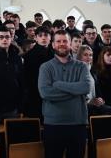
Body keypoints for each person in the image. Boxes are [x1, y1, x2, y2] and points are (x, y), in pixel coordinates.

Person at [39, 30, 90, 158]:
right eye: (58, 41)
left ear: (70, 44)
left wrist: (58, 84)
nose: (62, 44)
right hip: (53, 125)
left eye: (65, 41)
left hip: (77, 124)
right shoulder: (45, 67)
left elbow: (85, 87)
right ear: (53, 45)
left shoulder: (82, 66)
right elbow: (45, 92)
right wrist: (75, 92)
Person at [22, 25, 53, 119]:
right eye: (40, 35)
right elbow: (27, 80)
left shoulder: (55, 54)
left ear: (50, 37)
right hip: (35, 96)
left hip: (53, 95)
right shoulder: (28, 56)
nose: (43, 37)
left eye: (46, 35)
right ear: (35, 37)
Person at [78, 45, 111, 116]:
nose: (89, 57)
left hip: (94, 103)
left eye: (90, 55)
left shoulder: (92, 71)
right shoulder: (76, 71)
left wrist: (100, 99)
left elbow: (97, 90)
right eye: (85, 55)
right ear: (80, 56)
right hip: (82, 105)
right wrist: (88, 101)